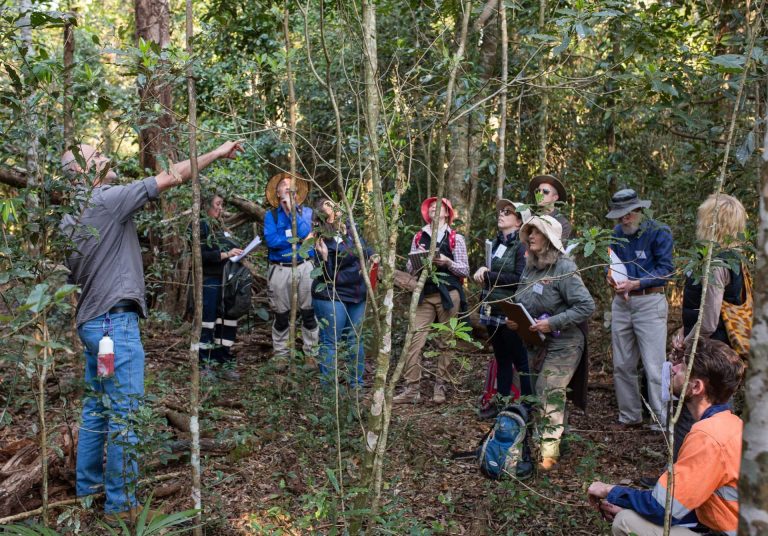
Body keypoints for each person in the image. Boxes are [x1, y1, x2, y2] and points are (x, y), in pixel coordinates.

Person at [60, 140, 243, 522]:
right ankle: (120, 505)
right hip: (114, 326)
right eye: (97, 156)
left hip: (93, 326)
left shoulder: (68, 216)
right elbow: (171, 176)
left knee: (97, 407)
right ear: (82, 172)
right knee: (124, 414)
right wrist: (216, 151)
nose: (106, 157)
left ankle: (88, 488)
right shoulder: (105, 200)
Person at [587, 338, 745, 536]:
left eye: (681, 367)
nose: (673, 368)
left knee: (625, 522)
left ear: (695, 387)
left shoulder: (707, 437)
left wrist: (609, 490)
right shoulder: (732, 424)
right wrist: (632, 505)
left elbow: (663, 507)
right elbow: (687, 501)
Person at [506, 215, 595, 470]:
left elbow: (586, 306)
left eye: (537, 232)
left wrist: (553, 322)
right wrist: (516, 319)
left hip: (564, 342)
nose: (530, 236)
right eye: (529, 232)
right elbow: (523, 300)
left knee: (549, 391)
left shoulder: (564, 268)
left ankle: (546, 457)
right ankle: (553, 444)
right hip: (535, 342)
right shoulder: (530, 266)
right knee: (534, 393)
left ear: (549, 238)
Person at [671, 193, 748, 459]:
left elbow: (709, 319)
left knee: (693, 414)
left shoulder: (716, 262)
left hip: (709, 354)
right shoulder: (733, 258)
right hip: (719, 352)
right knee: (718, 413)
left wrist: (686, 342)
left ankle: (678, 485)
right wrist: (682, 331)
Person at [606, 188, 673, 430]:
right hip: (622, 303)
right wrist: (611, 277)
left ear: (639, 210)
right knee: (622, 364)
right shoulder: (616, 233)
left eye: (628, 214)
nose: (625, 219)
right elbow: (614, 264)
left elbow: (667, 270)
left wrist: (638, 282)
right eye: (620, 215)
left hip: (649, 301)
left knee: (654, 365)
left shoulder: (658, 232)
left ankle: (662, 420)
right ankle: (629, 416)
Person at [393, 197, 469, 405]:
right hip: (424, 293)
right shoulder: (419, 236)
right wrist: (417, 259)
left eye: (439, 207)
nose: (435, 209)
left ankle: (440, 385)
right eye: (431, 207)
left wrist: (447, 262)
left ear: (447, 212)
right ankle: (412, 388)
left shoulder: (455, 238)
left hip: (448, 293)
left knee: (446, 341)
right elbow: (410, 269)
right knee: (414, 339)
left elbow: (465, 269)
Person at [473, 199, 531, 419]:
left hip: (509, 310)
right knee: (502, 358)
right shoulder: (496, 243)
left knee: (520, 359)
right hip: (490, 309)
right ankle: (501, 403)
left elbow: (519, 279)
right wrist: (482, 271)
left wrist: (489, 275)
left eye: (508, 212)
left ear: (518, 221)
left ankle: (526, 407)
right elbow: (490, 270)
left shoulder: (521, 246)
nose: (501, 214)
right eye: (500, 211)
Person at [312, 197, 374, 389]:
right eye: (329, 204)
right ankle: (329, 388)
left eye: (334, 203)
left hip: (356, 292)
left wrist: (373, 255)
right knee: (331, 341)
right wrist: (323, 257)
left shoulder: (351, 229)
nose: (335, 206)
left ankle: (357, 384)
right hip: (331, 294)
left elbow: (364, 251)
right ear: (324, 214)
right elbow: (326, 275)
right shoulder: (320, 237)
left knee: (355, 339)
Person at [263, 172, 318, 368]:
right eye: (284, 188)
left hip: (304, 267)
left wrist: (293, 210)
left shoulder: (308, 213)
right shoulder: (271, 215)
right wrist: (296, 242)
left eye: (291, 188)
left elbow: (305, 232)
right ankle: (281, 355)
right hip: (280, 269)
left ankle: (311, 354)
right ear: (278, 194)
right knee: (281, 315)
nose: (288, 191)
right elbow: (271, 241)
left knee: (309, 312)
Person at [198, 192, 243, 381]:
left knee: (225, 321)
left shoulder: (218, 225)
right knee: (207, 322)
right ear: (207, 205)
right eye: (217, 204)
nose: (220, 208)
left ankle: (223, 361)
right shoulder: (200, 225)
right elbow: (202, 254)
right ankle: (204, 364)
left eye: (222, 204)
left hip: (226, 280)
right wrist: (226, 254)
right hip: (210, 280)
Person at [528, 174, 572, 241]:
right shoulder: (530, 219)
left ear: (555, 198)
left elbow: (560, 249)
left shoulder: (563, 224)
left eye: (545, 192)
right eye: (538, 191)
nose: (540, 194)